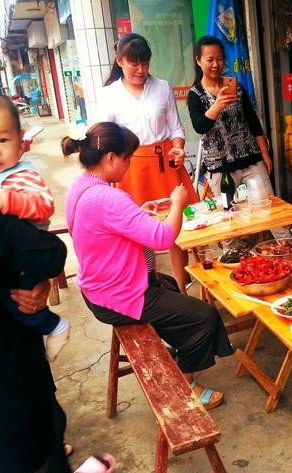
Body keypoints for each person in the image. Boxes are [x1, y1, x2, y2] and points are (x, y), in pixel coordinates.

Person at [0, 83, 115, 473]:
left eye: (2, 139)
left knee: (44, 422)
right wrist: (35, 272)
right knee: (19, 455)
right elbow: (48, 254)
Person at [63, 122, 233, 410]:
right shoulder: (108, 197)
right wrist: (179, 201)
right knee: (203, 314)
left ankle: (179, 350)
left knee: (172, 290)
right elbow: (164, 237)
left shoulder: (82, 188)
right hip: (117, 297)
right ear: (111, 158)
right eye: (128, 158)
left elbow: (104, 230)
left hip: (100, 289)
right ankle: (186, 384)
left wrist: (139, 213)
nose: (129, 165)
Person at [0, 93, 71, 362]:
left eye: (2, 140)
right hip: (1, 259)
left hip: (23, 259)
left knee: (17, 300)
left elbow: (44, 205)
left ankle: (54, 325)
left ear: (21, 141)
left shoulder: (21, 175)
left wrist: (8, 199)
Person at [96, 33, 196, 293]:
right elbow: (103, 138)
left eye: (145, 63)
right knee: (138, 232)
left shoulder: (162, 87)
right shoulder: (108, 95)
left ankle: (182, 289)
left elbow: (176, 127)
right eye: (134, 64)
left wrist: (178, 149)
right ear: (120, 60)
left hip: (165, 165)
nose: (140, 70)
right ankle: (147, 287)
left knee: (177, 228)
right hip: (129, 169)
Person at [187, 35, 274, 202]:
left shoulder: (236, 87)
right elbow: (200, 126)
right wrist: (217, 105)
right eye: (210, 59)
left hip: (251, 160)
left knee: (270, 209)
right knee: (230, 218)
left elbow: (253, 121)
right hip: (220, 168)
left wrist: (265, 153)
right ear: (198, 61)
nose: (215, 64)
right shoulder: (195, 94)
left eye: (219, 59)